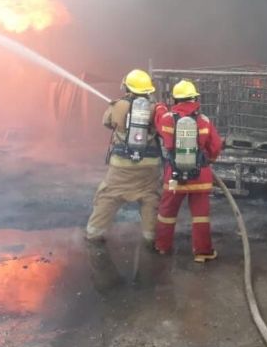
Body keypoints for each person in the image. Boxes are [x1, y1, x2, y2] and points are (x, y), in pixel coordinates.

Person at [86, 69, 165, 246]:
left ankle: (94, 233)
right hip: (149, 167)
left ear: (127, 87)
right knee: (150, 198)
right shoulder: (156, 108)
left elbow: (106, 122)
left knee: (108, 196)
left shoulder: (118, 105)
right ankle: (150, 236)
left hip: (122, 166)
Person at [154, 80, 223, 263]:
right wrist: (208, 159)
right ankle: (203, 252)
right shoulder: (204, 121)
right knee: (200, 216)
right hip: (200, 176)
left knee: (166, 213)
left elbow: (159, 123)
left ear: (176, 98)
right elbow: (216, 146)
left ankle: (162, 247)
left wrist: (160, 107)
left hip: (175, 176)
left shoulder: (168, 118)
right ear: (194, 98)